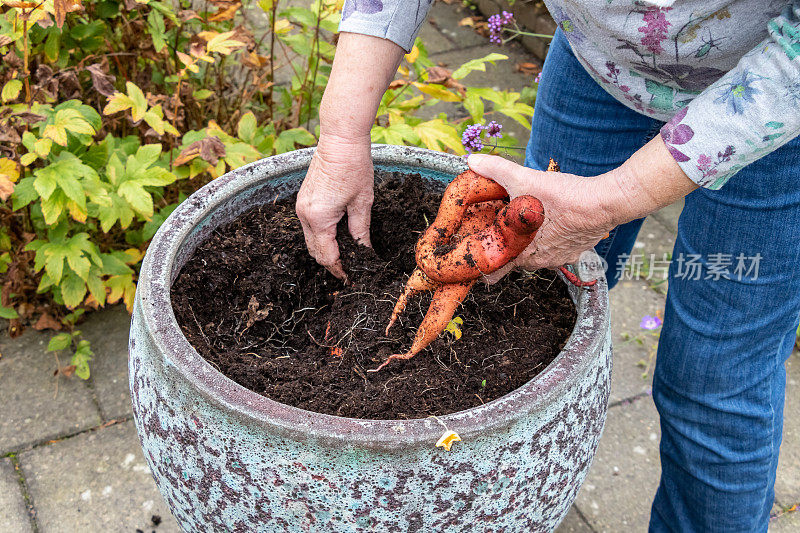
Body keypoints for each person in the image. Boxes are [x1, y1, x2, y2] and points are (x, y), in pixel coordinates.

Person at [295, 1, 800, 530]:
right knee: (533, 290)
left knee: (715, 383)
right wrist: (341, 137)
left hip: (773, 101)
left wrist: (611, 200)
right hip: (600, 66)